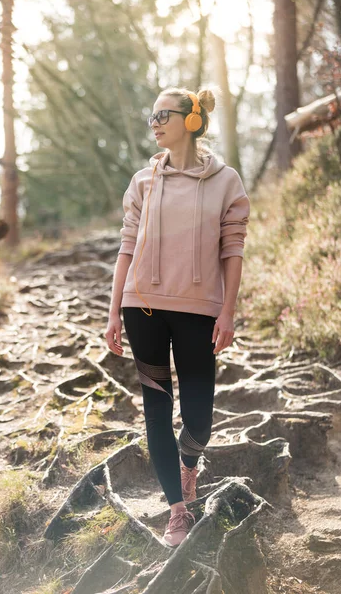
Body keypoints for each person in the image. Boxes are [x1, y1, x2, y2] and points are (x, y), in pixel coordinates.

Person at [106, 87, 250, 547]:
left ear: (190, 120)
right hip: (142, 308)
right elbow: (126, 248)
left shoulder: (226, 181)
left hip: (198, 312)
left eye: (163, 114)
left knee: (200, 416)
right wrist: (113, 312)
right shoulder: (142, 181)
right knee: (155, 409)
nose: (154, 122)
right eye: (151, 116)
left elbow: (233, 250)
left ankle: (190, 466)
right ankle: (176, 509)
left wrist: (227, 311)